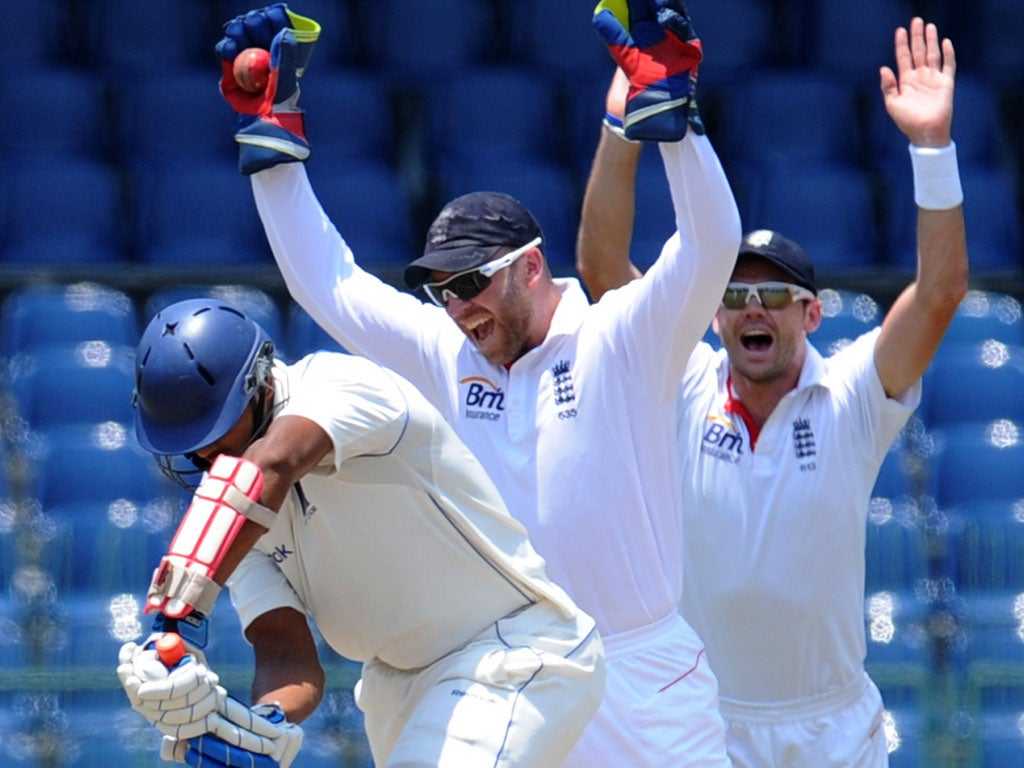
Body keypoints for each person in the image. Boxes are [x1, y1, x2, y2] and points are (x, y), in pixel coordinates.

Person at [212, 2, 740, 765]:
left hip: (644, 679)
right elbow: (327, 283)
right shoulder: (445, 350)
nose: (458, 307)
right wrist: (274, 146)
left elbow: (711, 246)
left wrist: (679, 126)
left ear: (532, 265)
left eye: (472, 281)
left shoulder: (623, 336)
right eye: (442, 290)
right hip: (519, 674)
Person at [576, 17, 968, 768]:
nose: (753, 306)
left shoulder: (854, 393)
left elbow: (943, 291)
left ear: (813, 314)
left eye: (775, 295)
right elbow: (600, 267)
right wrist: (623, 119)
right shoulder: (680, 382)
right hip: (700, 725)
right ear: (715, 314)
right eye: (735, 294)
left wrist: (932, 149)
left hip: (833, 730)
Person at [116, 298, 605, 768]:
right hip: (393, 687)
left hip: (509, 649)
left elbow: (278, 460)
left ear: (259, 382)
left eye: (215, 430)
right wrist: (260, 724)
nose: (205, 458)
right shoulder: (234, 520)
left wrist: (173, 621)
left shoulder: (340, 385)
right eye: (191, 448)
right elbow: (286, 653)